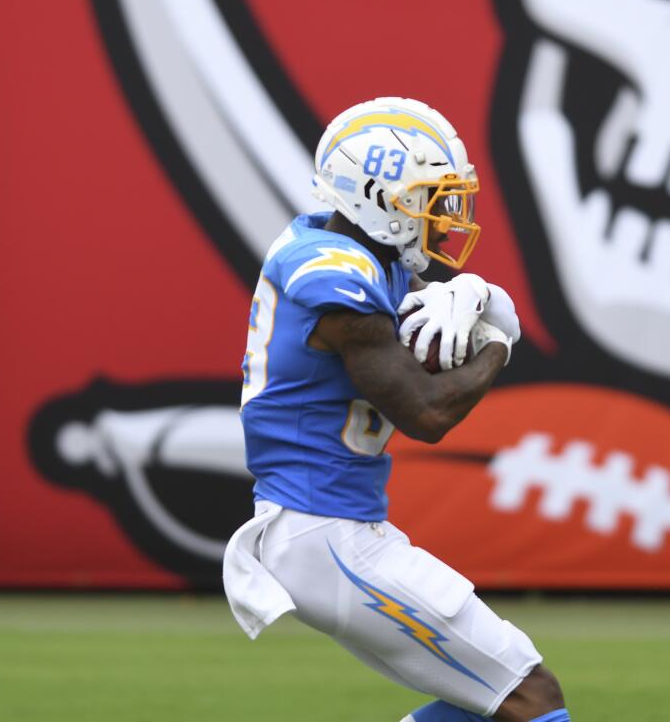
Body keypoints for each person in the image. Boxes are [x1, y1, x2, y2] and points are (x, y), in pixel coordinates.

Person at [222, 97, 571, 722]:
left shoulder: (353, 252)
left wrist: (468, 294)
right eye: (427, 199)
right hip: (323, 531)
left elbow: (419, 329)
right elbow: (426, 414)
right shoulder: (335, 279)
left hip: (333, 526)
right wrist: (499, 343)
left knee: (494, 699)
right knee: (531, 696)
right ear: (378, 197)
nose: (442, 217)